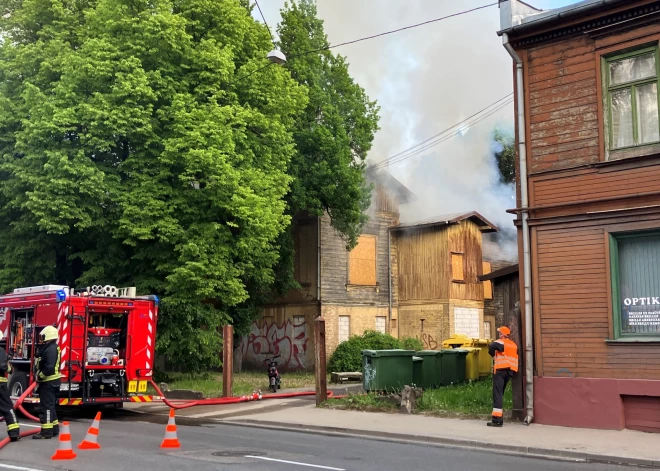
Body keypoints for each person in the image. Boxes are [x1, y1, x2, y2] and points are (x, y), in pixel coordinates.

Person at [32, 326, 61, 440]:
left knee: (46, 407)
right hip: (53, 382)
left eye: (43, 337)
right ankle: (54, 429)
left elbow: (49, 367)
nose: (42, 339)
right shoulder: (53, 348)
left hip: (48, 382)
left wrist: (40, 376)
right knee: (51, 406)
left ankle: (46, 432)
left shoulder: (50, 349)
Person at [487, 326, 518, 427]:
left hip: (500, 370)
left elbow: (491, 346)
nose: (499, 334)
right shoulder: (513, 345)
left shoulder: (501, 342)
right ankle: (498, 418)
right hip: (509, 372)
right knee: (500, 393)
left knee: (497, 394)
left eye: (500, 333)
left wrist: (492, 355)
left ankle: (497, 420)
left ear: (503, 334)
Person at [0, 332, 20, 442]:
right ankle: (14, 432)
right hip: (0, 385)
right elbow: (2, 366)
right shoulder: (1, 351)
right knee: (7, 407)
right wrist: (10, 369)